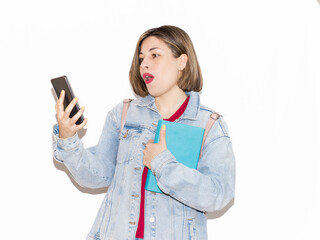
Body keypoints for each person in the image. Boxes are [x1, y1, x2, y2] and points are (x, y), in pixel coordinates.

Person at [52, 25, 235, 240]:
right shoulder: (124, 114)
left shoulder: (209, 125)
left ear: (182, 62)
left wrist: (163, 164)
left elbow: (218, 195)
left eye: (155, 55)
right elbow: (96, 176)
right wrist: (67, 138)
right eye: (141, 58)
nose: (144, 64)